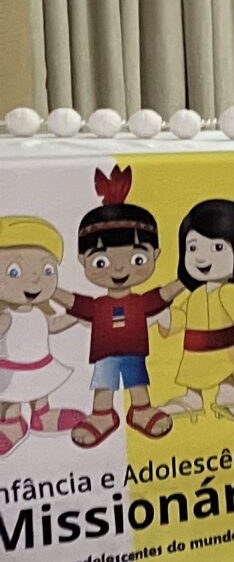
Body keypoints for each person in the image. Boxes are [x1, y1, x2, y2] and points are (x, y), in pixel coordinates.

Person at [58, 167, 185, 447]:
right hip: (105, 353)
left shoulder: (139, 302)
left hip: (133, 351)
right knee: (103, 384)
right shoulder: (99, 305)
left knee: (137, 381)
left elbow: (163, 294)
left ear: (155, 255)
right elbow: (75, 302)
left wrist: (186, 279)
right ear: (82, 260)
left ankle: (140, 410)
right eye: (101, 261)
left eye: (137, 259)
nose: (118, 269)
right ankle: (102, 414)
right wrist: (51, 290)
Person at [158, 199, 234, 423]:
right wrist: (165, 317)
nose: (201, 257)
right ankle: (193, 398)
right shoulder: (195, 295)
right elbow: (182, 316)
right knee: (194, 376)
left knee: (223, 373)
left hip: (223, 348)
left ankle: (229, 392)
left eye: (217, 247)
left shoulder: (229, 292)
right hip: (194, 351)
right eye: (193, 247)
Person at [0, 215, 82, 447]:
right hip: (11, 370)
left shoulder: (39, 313)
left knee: (39, 389)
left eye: (47, 270)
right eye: (14, 272)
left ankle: (42, 416)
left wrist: (77, 316)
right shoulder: (6, 316)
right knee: (11, 398)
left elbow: (53, 326)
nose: (35, 280)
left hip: (39, 365)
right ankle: (11, 422)